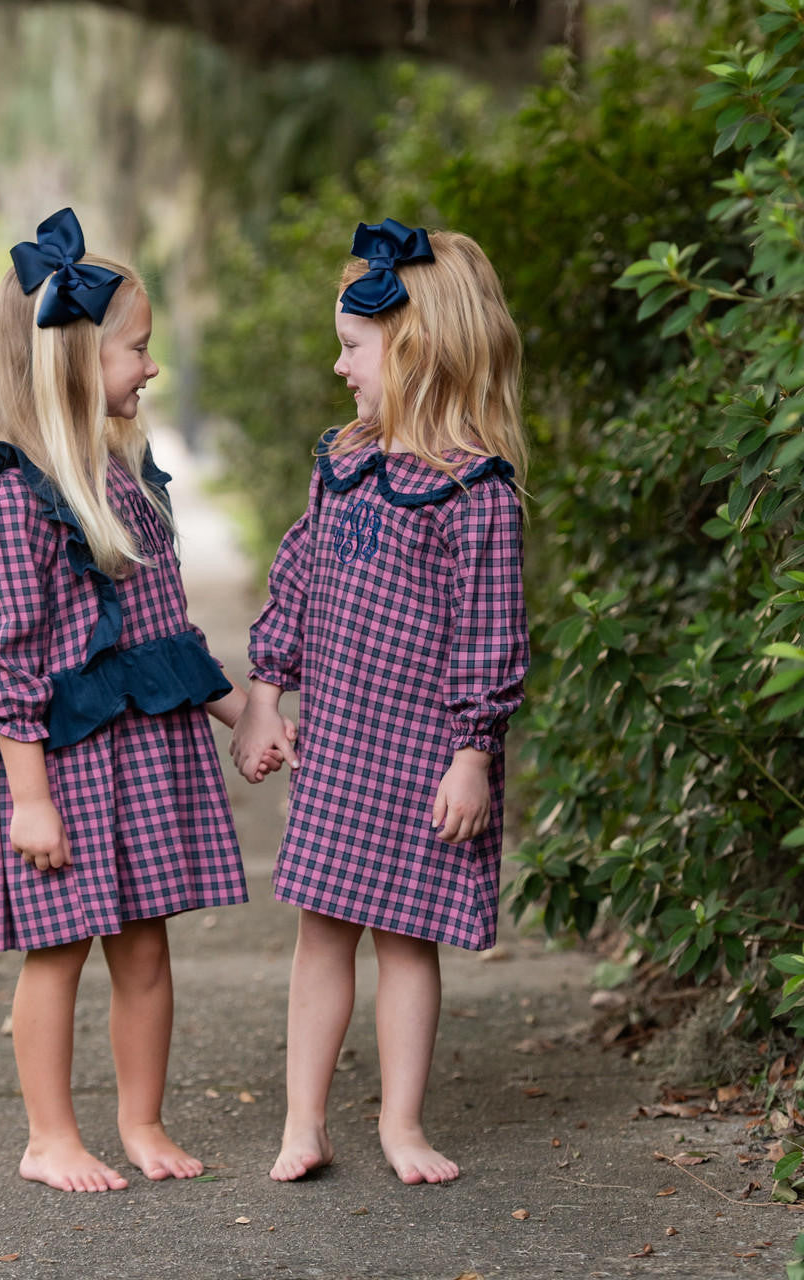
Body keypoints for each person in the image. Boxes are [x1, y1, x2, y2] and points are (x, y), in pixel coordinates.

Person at [0, 208, 289, 1193]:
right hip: (59, 767)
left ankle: (140, 1117)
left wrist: (242, 714)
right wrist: (27, 798)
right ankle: (47, 1135)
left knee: (145, 948)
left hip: (141, 761)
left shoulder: (125, 481)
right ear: (69, 360)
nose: (149, 367)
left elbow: (163, 633)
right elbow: (7, 666)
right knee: (55, 953)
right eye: (135, 347)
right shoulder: (16, 500)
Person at [231, 218, 530, 1185]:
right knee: (323, 931)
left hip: (426, 754)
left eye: (352, 347)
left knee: (407, 939)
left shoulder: (473, 490)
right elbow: (296, 582)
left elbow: (492, 631)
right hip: (343, 745)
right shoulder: (342, 461)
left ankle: (402, 1123)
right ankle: (303, 1122)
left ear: (415, 350)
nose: (337, 365)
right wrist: (268, 696)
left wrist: (473, 754)